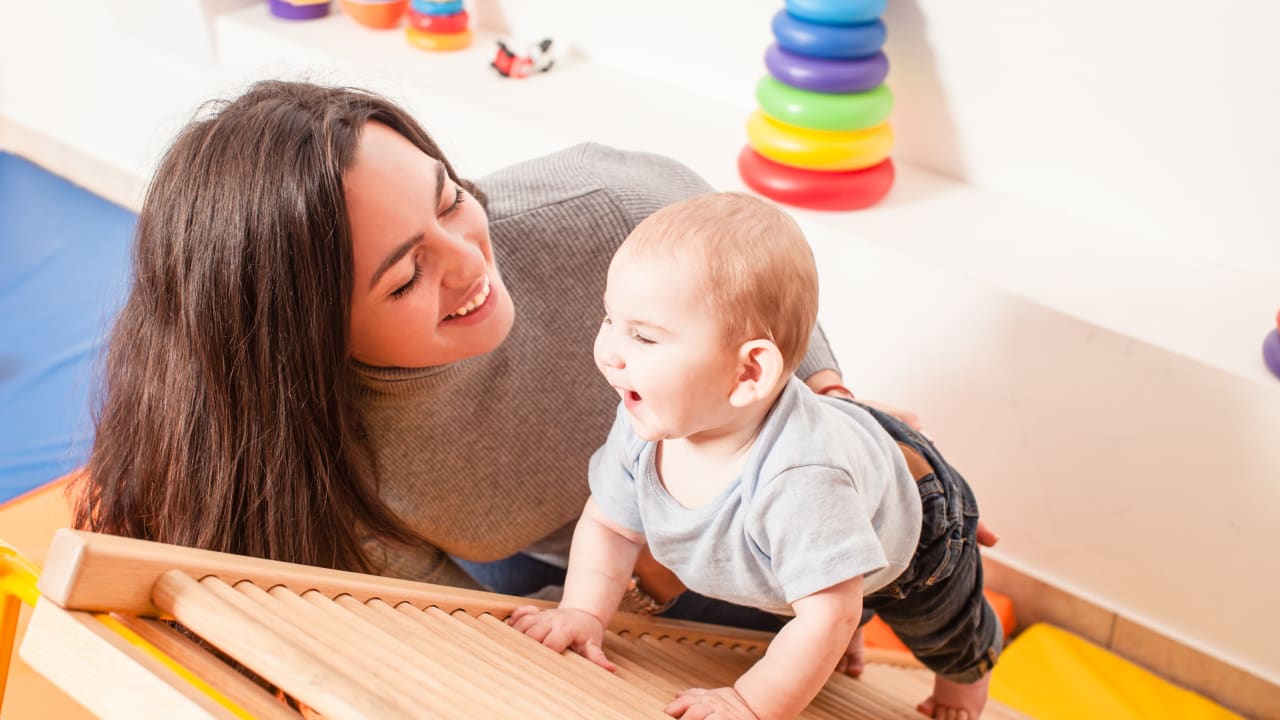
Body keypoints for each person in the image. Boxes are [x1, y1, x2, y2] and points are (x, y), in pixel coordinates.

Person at [73, 80, 931, 631]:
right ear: (314, 343)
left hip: (704, 492)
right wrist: (644, 583)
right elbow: (480, 633)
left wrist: (836, 408)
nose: (469, 263)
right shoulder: (324, 466)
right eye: (407, 278)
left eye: (450, 199)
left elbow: (754, 281)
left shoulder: (606, 211)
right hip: (566, 546)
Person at [511, 193, 1001, 720]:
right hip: (849, 467)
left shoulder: (800, 479)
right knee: (821, 574)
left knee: (936, 624)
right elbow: (610, 527)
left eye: (644, 336)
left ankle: (965, 685)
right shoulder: (647, 417)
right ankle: (846, 641)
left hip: (919, 518)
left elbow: (829, 613)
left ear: (748, 374)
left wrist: (750, 701)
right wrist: (583, 612)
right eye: (610, 319)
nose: (608, 350)